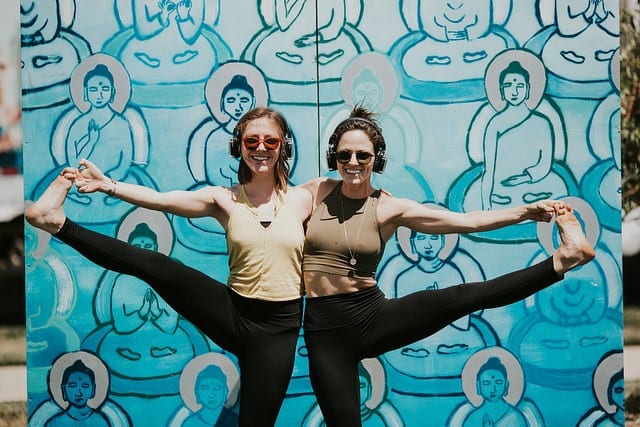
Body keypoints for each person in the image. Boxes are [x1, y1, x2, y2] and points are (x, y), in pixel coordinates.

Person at [298, 105, 595, 426]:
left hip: (371, 315)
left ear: (377, 159)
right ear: (333, 157)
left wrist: (524, 211)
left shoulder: (388, 207)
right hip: (324, 332)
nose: (353, 163)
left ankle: (563, 259)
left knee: (468, 296)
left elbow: (465, 221)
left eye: (363, 156)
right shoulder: (317, 192)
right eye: (344, 156)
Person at [27, 107, 312, 427]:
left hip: (278, 330)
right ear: (239, 146)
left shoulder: (305, 198)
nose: (261, 148)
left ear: (283, 146)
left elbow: (357, 188)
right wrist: (108, 185)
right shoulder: (224, 199)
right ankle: (56, 222)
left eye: (270, 141)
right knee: (153, 264)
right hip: (234, 312)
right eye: (252, 141)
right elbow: (161, 200)